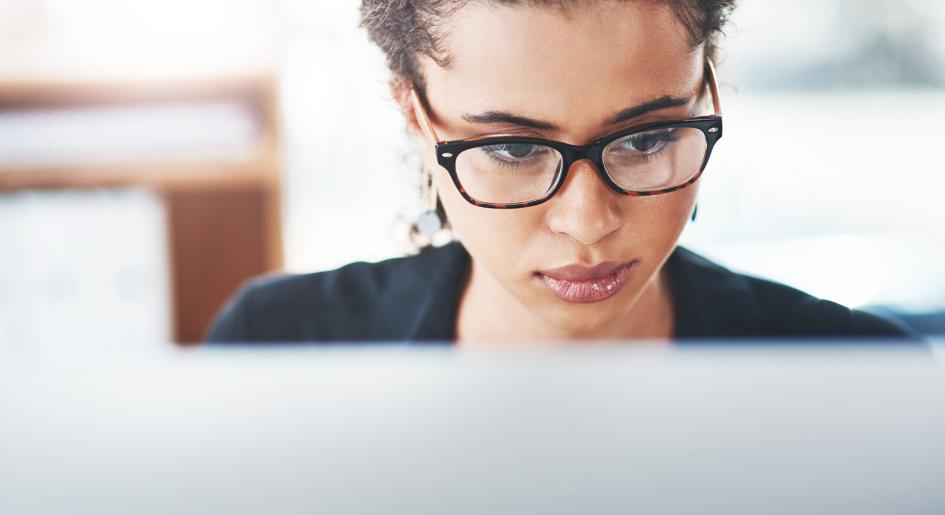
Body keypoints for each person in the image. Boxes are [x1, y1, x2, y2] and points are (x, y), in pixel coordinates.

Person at [206, 0, 911, 343]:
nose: (587, 222)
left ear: (707, 90)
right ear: (413, 113)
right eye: (514, 149)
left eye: (646, 137)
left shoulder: (858, 377)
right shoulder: (276, 348)